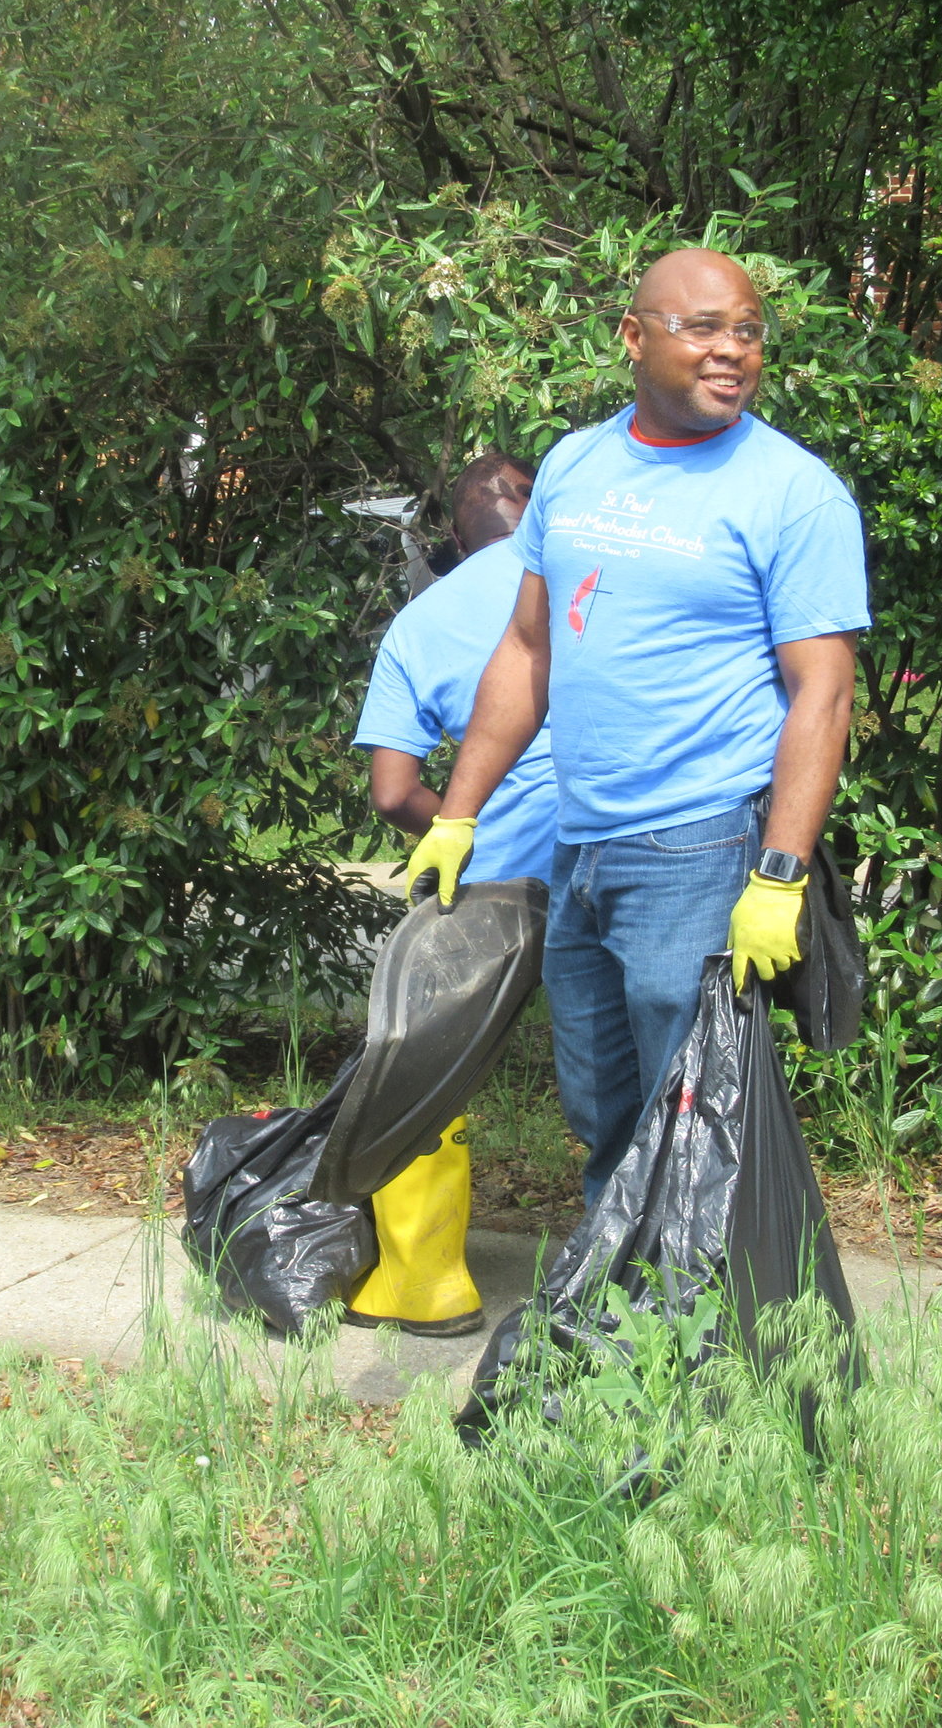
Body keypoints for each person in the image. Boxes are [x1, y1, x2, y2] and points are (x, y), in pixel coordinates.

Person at [401, 249, 869, 1202]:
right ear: (634, 336)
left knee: (692, 1103)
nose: (729, 350)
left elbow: (824, 694)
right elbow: (529, 650)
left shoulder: (794, 491)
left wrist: (778, 873)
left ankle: (710, 1322)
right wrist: (457, 813)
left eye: (746, 330)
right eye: (701, 328)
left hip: (699, 846)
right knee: (602, 1098)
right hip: (583, 846)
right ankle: (627, 1293)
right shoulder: (574, 467)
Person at [344, 449, 556, 1334]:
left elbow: (392, 792)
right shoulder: (596, 576)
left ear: (452, 534)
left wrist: (466, 824)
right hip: (627, 847)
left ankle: (427, 1285)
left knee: (423, 1058)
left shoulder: (420, 623)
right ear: (537, 506)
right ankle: (659, 1276)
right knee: (640, 1066)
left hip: (494, 875)